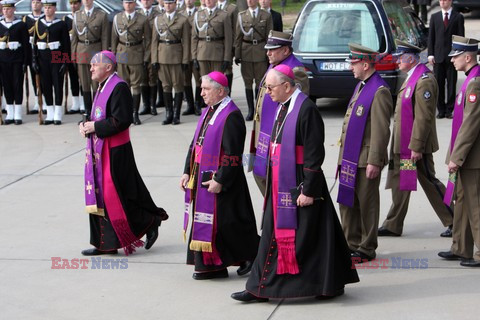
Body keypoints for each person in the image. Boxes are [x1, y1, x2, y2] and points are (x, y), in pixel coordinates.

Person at [231, 65, 359, 302]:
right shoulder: (282, 107)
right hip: (281, 180)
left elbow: (313, 153)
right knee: (280, 232)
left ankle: (324, 283)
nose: (267, 92)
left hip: (300, 182)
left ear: (287, 86)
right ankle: (259, 287)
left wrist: (308, 189)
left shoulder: (306, 109)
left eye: (270, 87)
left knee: (313, 237)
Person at [79, 51, 168, 256]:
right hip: (99, 149)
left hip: (115, 151)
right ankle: (105, 243)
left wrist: (95, 127)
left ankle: (149, 221)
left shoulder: (118, 87)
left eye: (95, 65)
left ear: (108, 67)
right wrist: (84, 125)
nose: (91, 68)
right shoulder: (100, 86)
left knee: (119, 195)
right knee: (105, 195)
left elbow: (122, 120)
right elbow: (94, 115)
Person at [179, 71, 259, 280]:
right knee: (219, 226)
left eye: (206, 89)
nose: (201, 93)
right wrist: (187, 171)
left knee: (230, 224)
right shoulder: (209, 110)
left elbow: (233, 155)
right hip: (202, 176)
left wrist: (220, 180)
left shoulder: (231, 115)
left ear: (221, 91)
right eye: (202, 88)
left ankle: (251, 254)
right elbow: (195, 143)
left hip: (224, 180)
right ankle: (212, 266)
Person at [378, 40, 454, 238]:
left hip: (416, 146)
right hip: (404, 144)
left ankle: (456, 219)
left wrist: (417, 146)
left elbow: (424, 117)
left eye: (400, 58)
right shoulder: (412, 76)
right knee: (401, 182)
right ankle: (393, 224)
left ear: (411, 59)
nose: (397, 62)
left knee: (430, 182)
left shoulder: (424, 80)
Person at [337, 44, 393, 262]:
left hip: (365, 159)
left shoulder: (379, 91)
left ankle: (366, 247)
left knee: (367, 204)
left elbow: (381, 130)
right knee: (347, 202)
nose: (351, 67)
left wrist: (375, 161)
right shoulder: (361, 85)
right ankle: (350, 242)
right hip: (351, 157)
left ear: (366, 64)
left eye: (354, 63)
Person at [250, 31, 309, 195]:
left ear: (285, 50)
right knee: (261, 175)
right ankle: (272, 214)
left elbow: (298, 106)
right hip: (264, 134)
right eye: (267, 49)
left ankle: (278, 215)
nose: (268, 53)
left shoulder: (295, 70)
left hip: (280, 136)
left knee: (277, 182)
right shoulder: (273, 64)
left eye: (273, 49)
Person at [438, 36, 480, 267]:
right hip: (466, 157)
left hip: (472, 158)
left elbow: (470, 124)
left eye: (456, 56)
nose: (452, 60)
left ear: (468, 57)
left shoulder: (475, 83)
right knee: (462, 201)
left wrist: (457, 157)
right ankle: (460, 247)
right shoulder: (470, 80)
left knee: (475, 204)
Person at [112, 0, 151, 126]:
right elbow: (114, 39)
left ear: (135, 4)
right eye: (126, 3)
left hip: (136, 52)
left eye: (130, 2)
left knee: (136, 85)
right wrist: (113, 56)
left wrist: (146, 57)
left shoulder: (142, 19)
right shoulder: (117, 18)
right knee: (124, 84)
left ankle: (135, 113)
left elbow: (148, 41)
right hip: (122, 52)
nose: (128, 5)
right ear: (123, 4)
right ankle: (126, 113)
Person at [151, 0, 190, 125]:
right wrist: (154, 59)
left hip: (176, 57)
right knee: (166, 86)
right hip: (162, 56)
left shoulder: (182, 20)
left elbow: (186, 42)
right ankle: (169, 114)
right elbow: (154, 42)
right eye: (166, 3)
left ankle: (176, 115)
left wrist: (185, 60)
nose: (168, 5)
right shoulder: (158, 20)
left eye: (171, 3)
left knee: (178, 85)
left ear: (175, 4)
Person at [32, 0, 70, 125]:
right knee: (46, 85)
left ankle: (58, 113)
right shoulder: (38, 24)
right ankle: (50, 112)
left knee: (58, 84)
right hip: (43, 58)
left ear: (54, 8)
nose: (47, 10)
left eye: (50, 7)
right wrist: (34, 60)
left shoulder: (61, 24)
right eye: (46, 7)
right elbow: (34, 44)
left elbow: (66, 44)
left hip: (56, 56)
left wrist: (65, 61)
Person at [71, 0, 109, 120]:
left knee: (96, 84)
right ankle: (87, 113)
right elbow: (75, 38)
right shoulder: (77, 15)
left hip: (96, 51)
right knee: (85, 84)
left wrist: (103, 56)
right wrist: (73, 56)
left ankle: (97, 112)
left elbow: (104, 37)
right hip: (81, 51)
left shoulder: (101, 15)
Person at [234, 0, 272, 121]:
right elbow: (238, 37)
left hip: (260, 52)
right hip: (246, 53)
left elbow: (269, 36)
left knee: (260, 82)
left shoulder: (266, 15)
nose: (249, 1)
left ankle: (258, 109)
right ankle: (251, 110)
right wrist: (237, 54)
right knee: (248, 82)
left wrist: (269, 54)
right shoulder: (241, 16)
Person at [428, 0, 464, 119]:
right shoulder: (434, 17)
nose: (442, 2)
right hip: (438, 57)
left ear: (450, 1)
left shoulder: (458, 17)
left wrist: (458, 54)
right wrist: (430, 54)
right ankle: (441, 109)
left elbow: (460, 37)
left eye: (445, 0)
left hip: (452, 57)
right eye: (441, 0)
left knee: (451, 83)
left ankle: (449, 109)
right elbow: (431, 37)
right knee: (439, 84)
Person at [0, 0, 30, 125]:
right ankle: (10, 113)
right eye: (4, 9)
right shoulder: (0, 24)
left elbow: (26, 45)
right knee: (6, 86)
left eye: (9, 9)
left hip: (17, 60)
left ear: (13, 10)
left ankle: (17, 113)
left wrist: (26, 61)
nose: (6, 11)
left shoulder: (20, 25)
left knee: (17, 86)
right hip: (3, 60)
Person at [191, 0, 233, 78]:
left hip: (217, 54)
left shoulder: (223, 15)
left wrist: (227, 58)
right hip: (202, 53)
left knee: (217, 81)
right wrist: (194, 57)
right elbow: (194, 37)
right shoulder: (198, 14)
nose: (208, 1)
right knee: (204, 81)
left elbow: (228, 39)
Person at [137, 0, 160, 116]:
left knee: (152, 78)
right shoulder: (137, 15)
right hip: (139, 51)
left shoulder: (157, 15)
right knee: (142, 78)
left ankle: (153, 105)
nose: (146, 2)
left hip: (152, 50)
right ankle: (145, 105)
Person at [22, 0, 44, 114]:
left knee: (44, 77)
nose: (35, 4)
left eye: (38, 2)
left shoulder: (44, 18)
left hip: (42, 51)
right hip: (31, 51)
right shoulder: (26, 19)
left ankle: (44, 100)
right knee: (33, 75)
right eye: (33, 2)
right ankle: (37, 101)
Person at [181, 0, 202, 116]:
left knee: (199, 79)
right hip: (184, 53)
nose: (188, 1)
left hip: (197, 52)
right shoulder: (180, 14)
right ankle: (190, 105)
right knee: (185, 80)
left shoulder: (200, 13)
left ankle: (198, 104)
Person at [63, 0, 84, 115]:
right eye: (71, 4)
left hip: (81, 51)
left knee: (83, 78)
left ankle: (83, 102)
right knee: (73, 78)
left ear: (80, 4)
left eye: (75, 3)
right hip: (69, 51)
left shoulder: (82, 17)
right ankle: (75, 103)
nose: (73, 6)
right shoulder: (65, 19)